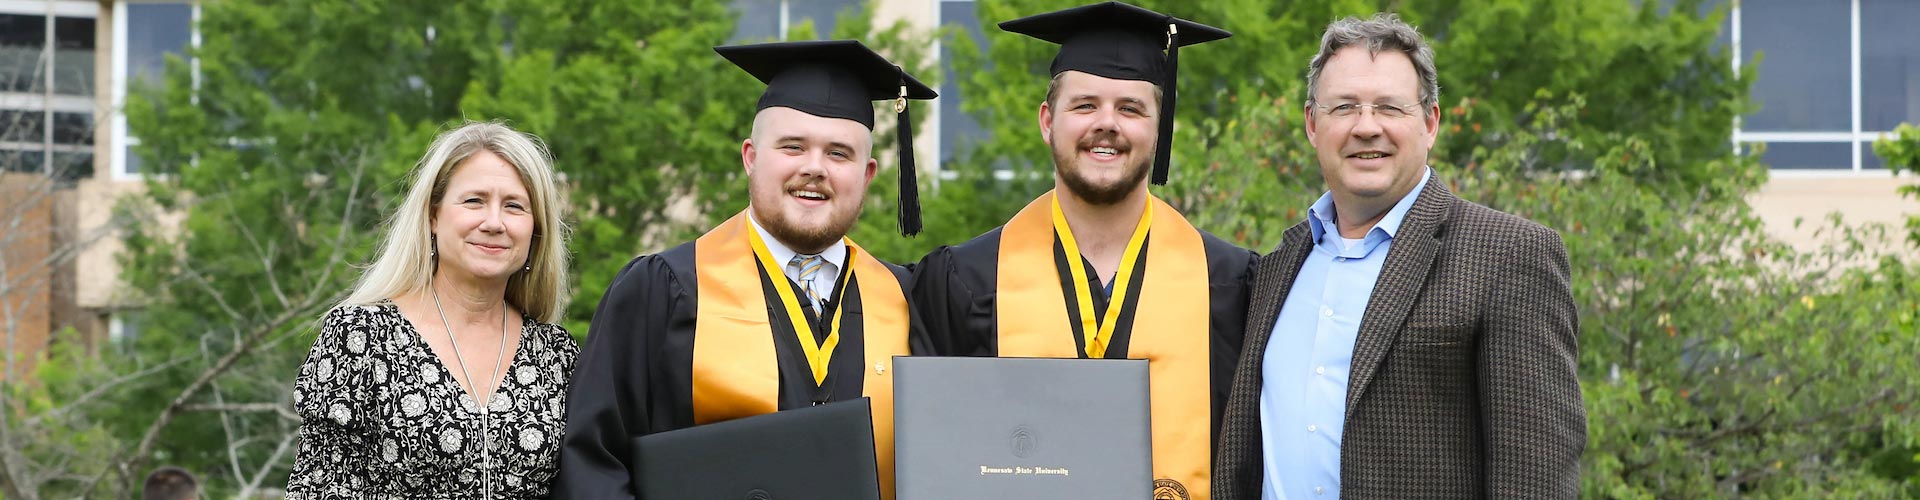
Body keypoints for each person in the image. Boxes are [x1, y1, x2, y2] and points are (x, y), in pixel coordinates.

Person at [1211, 13, 1585, 499]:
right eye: (1344, 107)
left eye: (1389, 108)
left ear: (1430, 123)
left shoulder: (1510, 256)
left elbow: (1537, 480)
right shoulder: (1276, 267)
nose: (1367, 128)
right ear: (1312, 124)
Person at [554, 39, 935, 500]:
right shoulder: (664, 288)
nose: (815, 168)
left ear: (868, 174)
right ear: (751, 158)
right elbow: (594, 464)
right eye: (793, 146)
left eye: (839, 153)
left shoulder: (905, 300)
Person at [910, 3, 1253, 498]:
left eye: (1131, 108)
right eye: (1085, 105)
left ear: (1159, 126)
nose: (1107, 123)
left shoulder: (1231, 285)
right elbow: (934, 462)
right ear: (1048, 120)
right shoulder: (963, 281)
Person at [287, 121, 577, 499]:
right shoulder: (361, 336)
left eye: (514, 206)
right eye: (474, 201)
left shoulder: (556, 355)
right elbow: (318, 489)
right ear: (433, 216)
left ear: (536, 230)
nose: (494, 222)